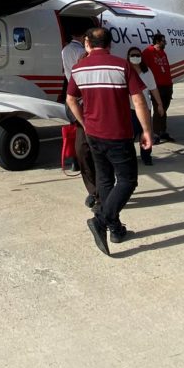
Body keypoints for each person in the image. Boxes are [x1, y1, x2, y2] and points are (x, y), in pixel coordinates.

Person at [66, 27, 152, 256]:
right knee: (127, 180)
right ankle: (102, 221)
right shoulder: (121, 65)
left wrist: (84, 123)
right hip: (118, 134)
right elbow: (139, 101)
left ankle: (115, 229)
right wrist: (146, 130)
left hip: (93, 134)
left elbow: (70, 99)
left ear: (87, 44)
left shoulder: (78, 69)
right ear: (110, 44)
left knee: (104, 179)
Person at [60, 27, 96, 206]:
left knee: (81, 143)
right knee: (93, 149)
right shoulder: (80, 53)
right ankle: (99, 191)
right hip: (84, 103)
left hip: (76, 101)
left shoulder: (66, 50)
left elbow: (71, 98)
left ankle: (75, 162)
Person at [126, 47, 163, 166]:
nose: (135, 57)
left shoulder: (147, 71)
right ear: (128, 57)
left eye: (137, 55)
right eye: (132, 55)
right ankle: (129, 157)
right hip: (130, 108)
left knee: (145, 132)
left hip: (145, 107)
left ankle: (146, 155)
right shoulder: (125, 71)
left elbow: (153, 89)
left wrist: (159, 104)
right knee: (130, 134)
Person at [140, 33, 174, 142]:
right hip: (157, 85)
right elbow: (143, 67)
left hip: (167, 84)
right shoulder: (148, 52)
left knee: (164, 109)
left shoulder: (163, 52)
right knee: (158, 109)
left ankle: (162, 131)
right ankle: (155, 133)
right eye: (163, 41)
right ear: (158, 41)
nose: (165, 43)